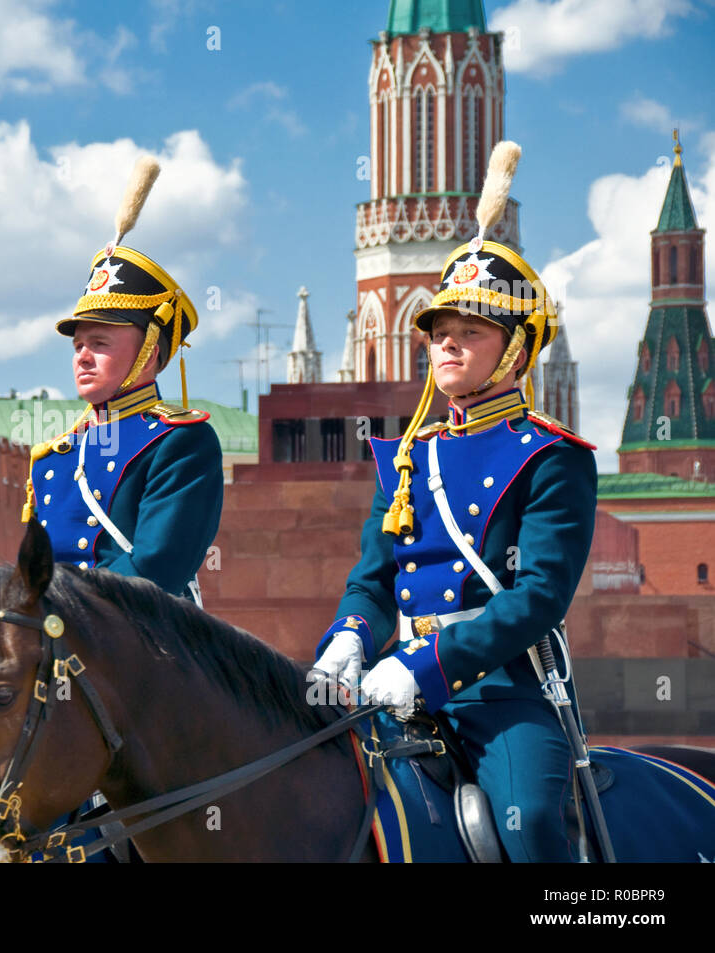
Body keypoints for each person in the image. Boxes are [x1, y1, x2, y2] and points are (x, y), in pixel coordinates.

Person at [310, 142, 595, 863]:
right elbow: (373, 581)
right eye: (439, 332)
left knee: (529, 820)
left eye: (470, 332)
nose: (447, 345)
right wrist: (348, 638)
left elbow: (538, 597)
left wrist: (429, 665)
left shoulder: (549, 454)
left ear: (515, 351)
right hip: (390, 686)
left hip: (501, 692)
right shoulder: (408, 456)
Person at [23, 156, 223, 604]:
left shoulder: (180, 444)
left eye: (100, 343)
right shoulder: (53, 456)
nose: (83, 356)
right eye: (77, 345)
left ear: (149, 353)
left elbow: (155, 570)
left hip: (143, 647)